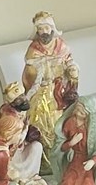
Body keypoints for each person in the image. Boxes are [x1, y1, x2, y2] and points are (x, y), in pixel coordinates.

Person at [19, 11, 71, 158]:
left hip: (57, 91)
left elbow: (68, 63)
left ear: (52, 28)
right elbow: (29, 73)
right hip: (39, 90)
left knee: (58, 121)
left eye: (46, 28)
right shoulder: (33, 49)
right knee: (38, 120)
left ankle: (57, 155)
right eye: (40, 29)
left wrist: (70, 70)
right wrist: (38, 68)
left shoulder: (61, 46)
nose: (43, 32)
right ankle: (38, 157)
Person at [55, 69, 96, 185]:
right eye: (77, 109)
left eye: (82, 112)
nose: (78, 113)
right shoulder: (70, 123)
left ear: (88, 114)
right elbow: (60, 146)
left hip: (88, 163)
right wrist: (71, 143)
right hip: (74, 161)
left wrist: (93, 161)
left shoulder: (93, 127)